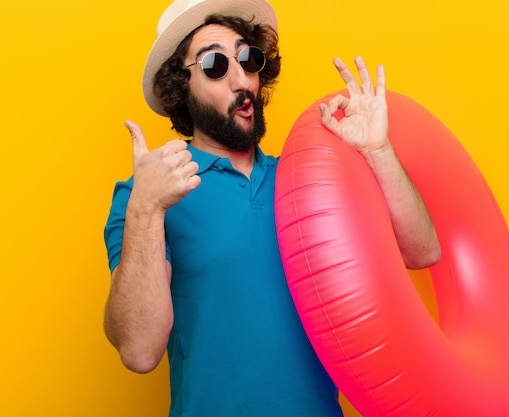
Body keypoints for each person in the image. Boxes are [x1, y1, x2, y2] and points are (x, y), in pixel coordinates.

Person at [103, 0, 441, 415]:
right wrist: (146, 210)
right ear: (180, 87)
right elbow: (139, 351)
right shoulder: (147, 194)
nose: (241, 78)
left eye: (248, 58)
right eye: (214, 65)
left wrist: (378, 149)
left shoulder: (306, 180)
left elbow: (422, 252)